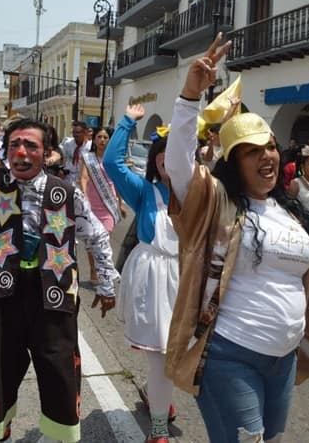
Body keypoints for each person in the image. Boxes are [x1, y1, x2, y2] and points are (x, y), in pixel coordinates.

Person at [164, 35, 309, 443]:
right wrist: (189, 97)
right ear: (234, 163)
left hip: (284, 360)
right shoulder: (217, 204)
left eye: (270, 146)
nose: (267, 156)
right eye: (252, 150)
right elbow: (179, 165)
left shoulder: (291, 211)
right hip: (229, 355)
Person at [0, 70, 120, 443]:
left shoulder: (66, 193)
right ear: (6, 151)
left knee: (59, 377)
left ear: (47, 152)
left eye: (32, 146)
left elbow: (97, 236)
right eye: (16, 145)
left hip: (50, 299)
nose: (22, 152)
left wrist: (106, 282)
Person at [103, 107, 178, 443]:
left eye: (176, 154)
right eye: (162, 154)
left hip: (186, 279)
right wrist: (127, 122)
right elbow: (111, 164)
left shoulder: (201, 192)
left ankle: (154, 392)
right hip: (153, 279)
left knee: (178, 357)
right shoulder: (145, 191)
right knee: (162, 357)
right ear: (156, 160)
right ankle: (158, 429)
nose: (168, 160)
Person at [79, 126, 125, 286]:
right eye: (99, 137)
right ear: (94, 140)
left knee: (103, 239)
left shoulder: (113, 159)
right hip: (92, 203)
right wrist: (84, 196)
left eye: (105, 137)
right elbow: (84, 178)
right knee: (92, 240)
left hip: (108, 205)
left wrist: (121, 203)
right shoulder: (88, 157)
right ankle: (93, 269)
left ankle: (104, 271)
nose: (102, 140)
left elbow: (118, 182)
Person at [60, 121, 91, 186]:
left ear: (84, 132)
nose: (75, 135)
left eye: (78, 132)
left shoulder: (90, 147)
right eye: (73, 132)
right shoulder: (67, 143)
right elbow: (61, 156)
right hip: (68, 178)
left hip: (82, 180)